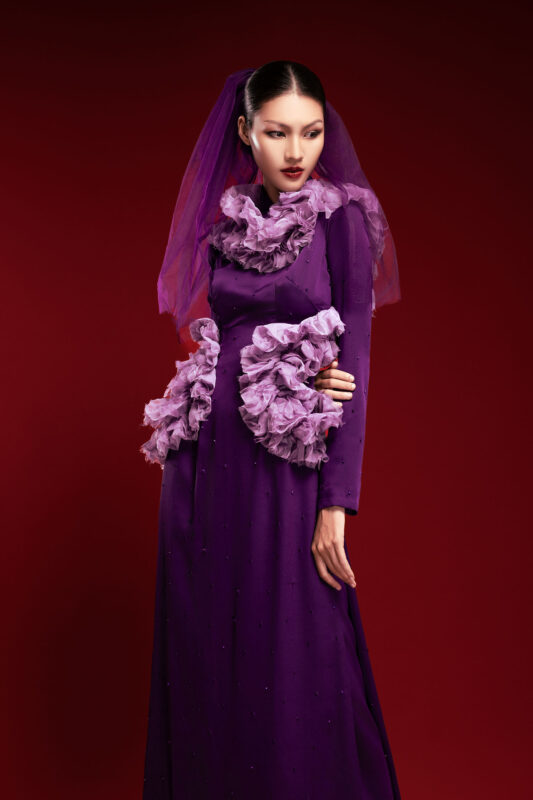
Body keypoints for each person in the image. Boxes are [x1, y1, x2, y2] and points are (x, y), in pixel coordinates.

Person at [140, 61, 402, 799]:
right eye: (278, 133)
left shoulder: (341, 220)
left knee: (301, 653)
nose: (296, 152)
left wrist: (336, 503)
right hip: (205, 464)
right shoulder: (225, 227)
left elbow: (357, 357)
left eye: (311, 133)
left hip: (288, 465)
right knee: (208, 652)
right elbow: (218, 338)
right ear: (245, 133)